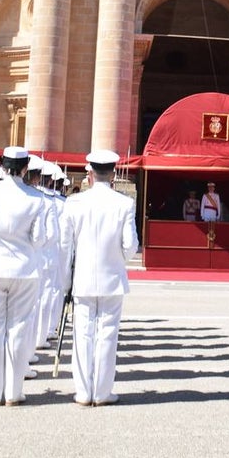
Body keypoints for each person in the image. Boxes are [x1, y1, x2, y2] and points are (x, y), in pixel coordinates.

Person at [60, 149, 138, 407]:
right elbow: (130, 245)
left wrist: (65, 281)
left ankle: (83, 391)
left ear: (90, 174)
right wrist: (117, 260)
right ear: (113, 174)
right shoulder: (124, 203)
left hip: (82, 277)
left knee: (82, 334)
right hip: (112, 278)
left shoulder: (74, 203)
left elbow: (65, 246)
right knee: (107, 335)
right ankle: (103, 392)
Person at [0, 146, 47, 406]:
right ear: (26, 167)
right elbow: (40, 239)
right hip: (24, 269)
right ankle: (14, 392)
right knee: (18, 329)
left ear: (0, 164)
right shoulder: (36, 198)